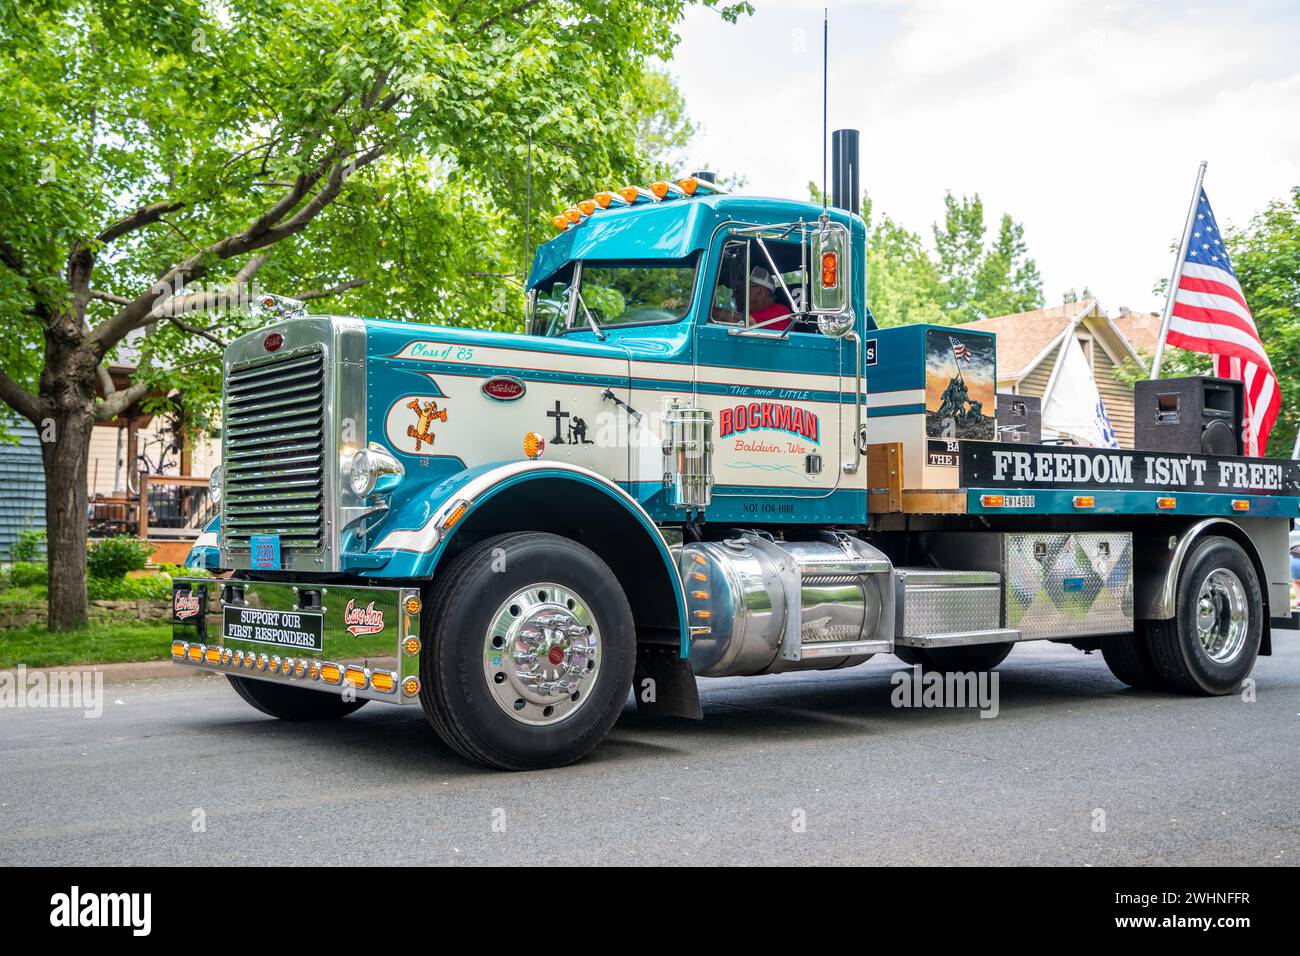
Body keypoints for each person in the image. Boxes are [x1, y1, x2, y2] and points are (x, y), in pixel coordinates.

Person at [712, 266, 793, 330]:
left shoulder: (780, 312)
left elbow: (748, 322)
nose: (734, 296)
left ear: (760, 291)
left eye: (739, 290)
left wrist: (709, 312)